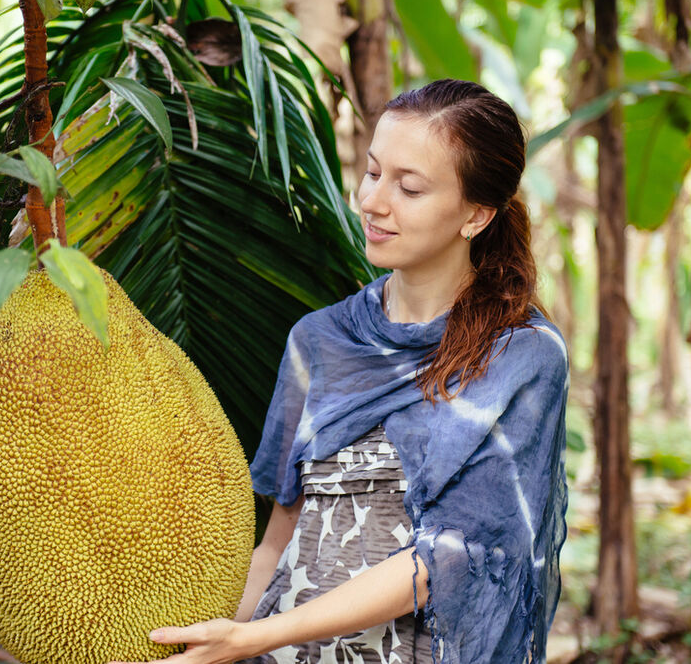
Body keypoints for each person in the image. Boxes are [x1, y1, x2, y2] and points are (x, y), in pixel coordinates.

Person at [110, 79, 569, 664]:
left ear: (476, 215)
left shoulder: (521, 354)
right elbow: (277, 541)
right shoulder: (320, 339)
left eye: (409, 187)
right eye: (373, 172)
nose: (373, 201)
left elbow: (448, 560)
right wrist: (197, 644)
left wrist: (257, 637)